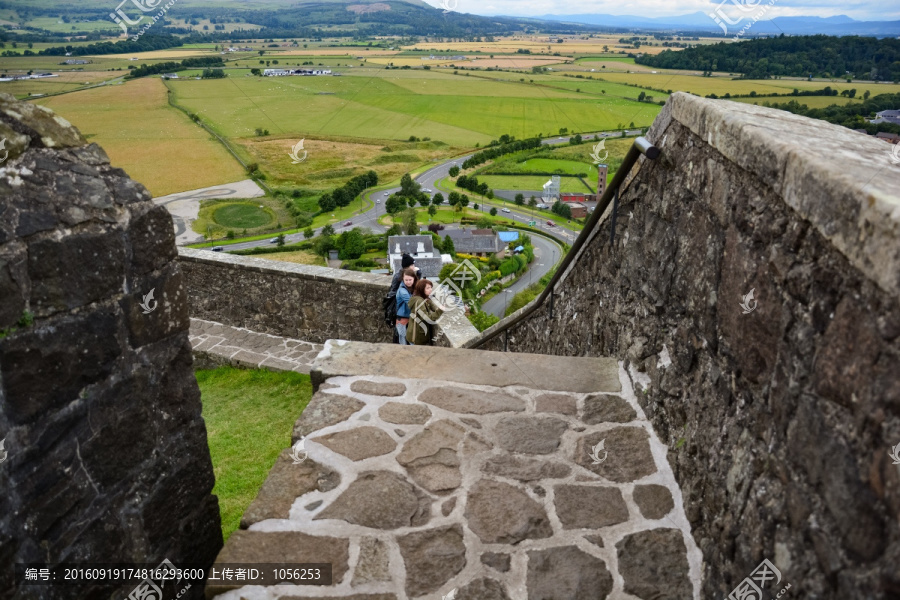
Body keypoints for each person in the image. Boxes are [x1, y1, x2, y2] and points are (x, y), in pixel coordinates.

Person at [388, 253, 421, 343]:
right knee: (402, 337)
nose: (414, 267)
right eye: (412, 265)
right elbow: (393, 291)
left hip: (405, 310)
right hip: (399, 308)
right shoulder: (400, 277)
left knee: (405, 337)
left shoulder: (406, 275)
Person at [407, 279, 446, 346]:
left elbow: (430, 304)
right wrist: (440, 311)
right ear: (422, 289)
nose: (430, 289)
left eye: (431, 287)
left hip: (415, 334)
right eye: (427, 288)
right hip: (416, 337)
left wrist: (437, 308)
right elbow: (428, 318)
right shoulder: (419, 301)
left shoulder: (423, 298)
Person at [395, 267, 418, 346]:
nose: (408, 282)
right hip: (402, 318)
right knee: (403, 341)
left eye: (410, 280)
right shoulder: (402, 290)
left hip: (409, 318)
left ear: (414, 279)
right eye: (406, 280)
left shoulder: (412, 288)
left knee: (411, 340)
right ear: (403, 279)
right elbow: (411, 302)